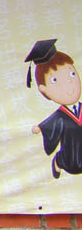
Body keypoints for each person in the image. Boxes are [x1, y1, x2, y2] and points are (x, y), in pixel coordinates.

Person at [27, 38, 82, 178]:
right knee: (73, 165)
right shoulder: (61, 115)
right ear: (44, 90)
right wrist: (40, 127)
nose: (69, 82)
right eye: (55, 80)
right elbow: (52, 122)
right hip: (70, 152)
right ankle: (59, 161)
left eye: (72, 74)